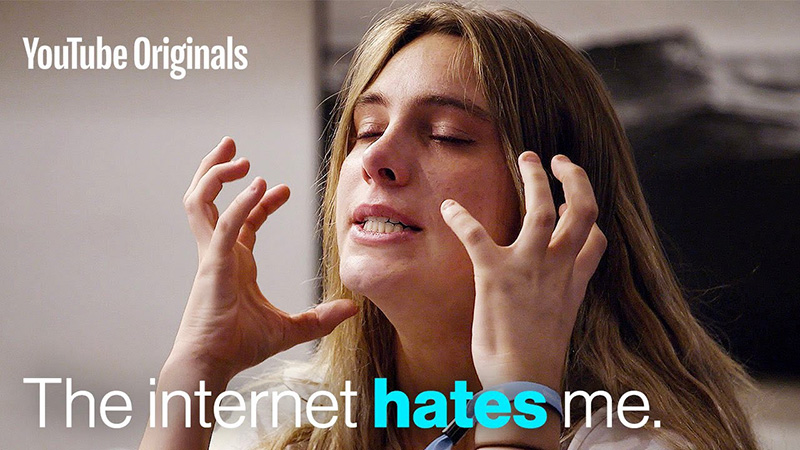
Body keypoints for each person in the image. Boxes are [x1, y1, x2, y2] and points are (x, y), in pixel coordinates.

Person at [140, 3, 760, 449]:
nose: (377, 158)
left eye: (447, 135)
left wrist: (519, 401)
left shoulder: (636, 440)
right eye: (365, 129)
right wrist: (195, 370)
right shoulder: (290, 421)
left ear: (555, 210)